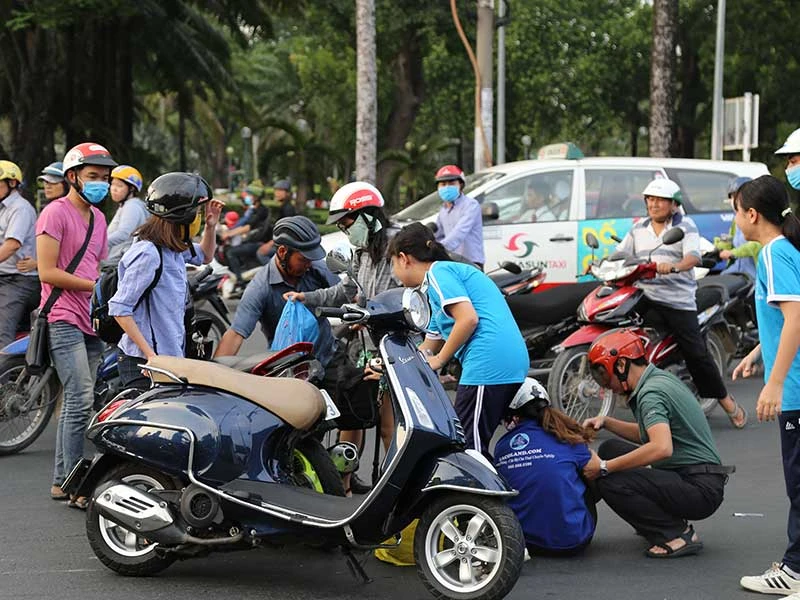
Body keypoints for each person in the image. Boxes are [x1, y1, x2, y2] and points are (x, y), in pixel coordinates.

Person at [284, 181, 397, 494]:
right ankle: (341, 487)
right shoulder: (361, 251)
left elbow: (405, 296)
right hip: (366, 349)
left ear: (367, 216)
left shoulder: (396, 246)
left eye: (347, 223)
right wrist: (307, 298)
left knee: (389, 428)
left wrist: (371, 313)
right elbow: (346, 290)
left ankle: (396, 492)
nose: (346, 230)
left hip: (395, 349)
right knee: (354, 416)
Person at [582, 328, 730, 559]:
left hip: (699, 489)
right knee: (610, 449)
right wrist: (607, 422)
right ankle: (661, 521)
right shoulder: (657, 378)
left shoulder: (651, 393)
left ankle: (675, 534)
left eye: (603, 374)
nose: (605, 385)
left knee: (609, 481)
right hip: (697, 477)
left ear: (621, 364)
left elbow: (661, 447)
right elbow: (651, 434)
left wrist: (603, 467)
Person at [615, 177, 747, 429]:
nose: (654, 205)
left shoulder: (685, 226)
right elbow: (621, 254)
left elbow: (693, 257)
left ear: (674, 205)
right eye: (650, 199)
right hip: (644, 296)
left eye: (660, 200)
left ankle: (727, 402)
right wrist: (602, 263)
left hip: (677, 301)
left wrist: (674, 266)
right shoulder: (638, 228)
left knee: (696, 354)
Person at [387, 222, 528, 456]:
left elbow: (468, 319)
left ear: (404, 259)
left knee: (468, 451)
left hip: (488, 363)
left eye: (392, 263)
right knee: (470, 441)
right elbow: (428, 346)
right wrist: (392, 366)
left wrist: (441, 359)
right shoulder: (433, 288)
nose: (394, 271)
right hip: (505, 361)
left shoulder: (438, 273)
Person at [37, 142, 116, 507]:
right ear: (72, 177)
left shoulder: (99, 218)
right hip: (62, 316)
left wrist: (105, 288)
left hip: (90, 318)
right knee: (81, 397)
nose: (101, 183)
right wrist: (93, 286)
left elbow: (97, 267)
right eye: (93, 176)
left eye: (105, 178)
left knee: (79, 400)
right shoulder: (54, 214)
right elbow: (47, 272)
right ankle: (76, 484)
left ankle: (60, 481)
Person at [732, 173, 800, 597]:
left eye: (737, 211)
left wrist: (773, 385)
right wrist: (759, 352)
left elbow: (796, 318)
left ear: (753, 214)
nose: (735, 219)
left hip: (795, 391)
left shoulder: (774, 253)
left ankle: (795, 572)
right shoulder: (787, 249)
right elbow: (784, 320)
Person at [109, 172, 221, 390]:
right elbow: (119, 308)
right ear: (181, 216)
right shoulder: (148, 254)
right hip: (144, 364)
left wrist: (210, 226)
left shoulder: (173, 247)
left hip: (169, 358)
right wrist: (151, 356)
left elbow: (205, 256)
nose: (198, 218)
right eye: (197, 213)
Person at [215, 215, 339, 369]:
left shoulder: (317, 269)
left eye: (311, 259)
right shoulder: (260, 288)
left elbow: (347, 295)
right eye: (303, 259)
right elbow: (235, 334)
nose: (309, 264)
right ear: (282, 252)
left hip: (328, 358)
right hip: (288, 369)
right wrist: (214, 374)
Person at [495, 378, 597, 556]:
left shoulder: (502, 445)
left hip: (526, 542)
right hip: (574, 541)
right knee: (589, 470)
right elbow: (595, 468)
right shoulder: (567, 437)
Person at [0, 160, 40, 348]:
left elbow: (12, 245)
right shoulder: (3, 209)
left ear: (12, 183)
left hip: (19, 279)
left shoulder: (20, 208)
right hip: (5, 276)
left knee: (2, 331)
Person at [433, 165, 485, 270]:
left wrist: (438, 249)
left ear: (460, 185)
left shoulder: (471, 205)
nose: (447, 187)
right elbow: (437, 234)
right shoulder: (443, 210)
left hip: (471, 263)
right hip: (452, 262)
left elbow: (459, 233)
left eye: (451, 183)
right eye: (443, 184)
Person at [714, 176, 761, 278]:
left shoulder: (758, 217)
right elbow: (731, 241)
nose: (733, 200)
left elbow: (756, 245)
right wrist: (720, 245)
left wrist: (733, 253)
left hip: (754, 276)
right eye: (731, 197)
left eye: (736, 196)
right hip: (736, 271)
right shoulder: (736, 220)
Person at [222, 184, 271, 277]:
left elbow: (247, 227)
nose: (247, 197)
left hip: (259, 243)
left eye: (249, 195)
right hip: (253, 240)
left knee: (230, 252)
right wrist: (229, 232)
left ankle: (239, 279)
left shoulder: (261, 210)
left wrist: (228, 234)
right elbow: (243, 224)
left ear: (256, 197)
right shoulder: (254, 209)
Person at [106, 164, 148, 256]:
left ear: (131, 189)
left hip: (119, 261)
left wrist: (97, 243)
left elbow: (123, 234)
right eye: (112, 184)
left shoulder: (132, 206)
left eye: (119, 185)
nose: (114, 189)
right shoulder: (127, 205)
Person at [254, 179, 296, 265]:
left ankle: (277, 271)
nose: (277, 193)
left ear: (287, 193)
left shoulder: (288, 209)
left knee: (261, 253)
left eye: (280, 190)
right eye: (276, 190)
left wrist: (269, 244)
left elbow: (286, 231)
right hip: (277, 242)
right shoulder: (282, 207)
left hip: (284, 244)